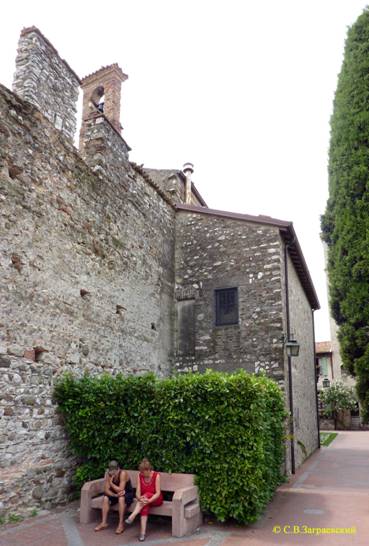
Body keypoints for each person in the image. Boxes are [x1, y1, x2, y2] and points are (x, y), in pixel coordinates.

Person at [125, 458, 163, 541]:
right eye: (141, 472)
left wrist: (148, 500)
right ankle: (142, 533)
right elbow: (138, 492)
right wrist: (139, 498)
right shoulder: (140, 475)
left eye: (144, 473)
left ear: (149, 470)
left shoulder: (156, 476)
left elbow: (158, 493)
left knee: (146, 495)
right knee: (144, 507)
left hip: (156, 499)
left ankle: (132, 515)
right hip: (145, 500)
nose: (143, 474)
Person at [94, 460, 134, 534]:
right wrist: (114, 495)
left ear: (118, 469)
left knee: (121, 498)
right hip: (116, 494)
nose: (112, 473)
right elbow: (106, 490)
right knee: (106, 498)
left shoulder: (123, 474)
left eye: (114, 471)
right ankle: (104, 523)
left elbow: (121, 489)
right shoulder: (109, 474)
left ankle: (121, 524)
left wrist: (111, 483)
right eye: (111, 470)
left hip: (127, 493)